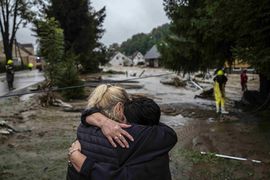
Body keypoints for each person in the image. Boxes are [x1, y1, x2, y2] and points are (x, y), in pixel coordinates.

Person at [67, 84, 177, 180]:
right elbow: (169, 134)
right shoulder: (139, 136)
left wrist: (97, 118)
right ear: (119, 108)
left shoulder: (82, 130)